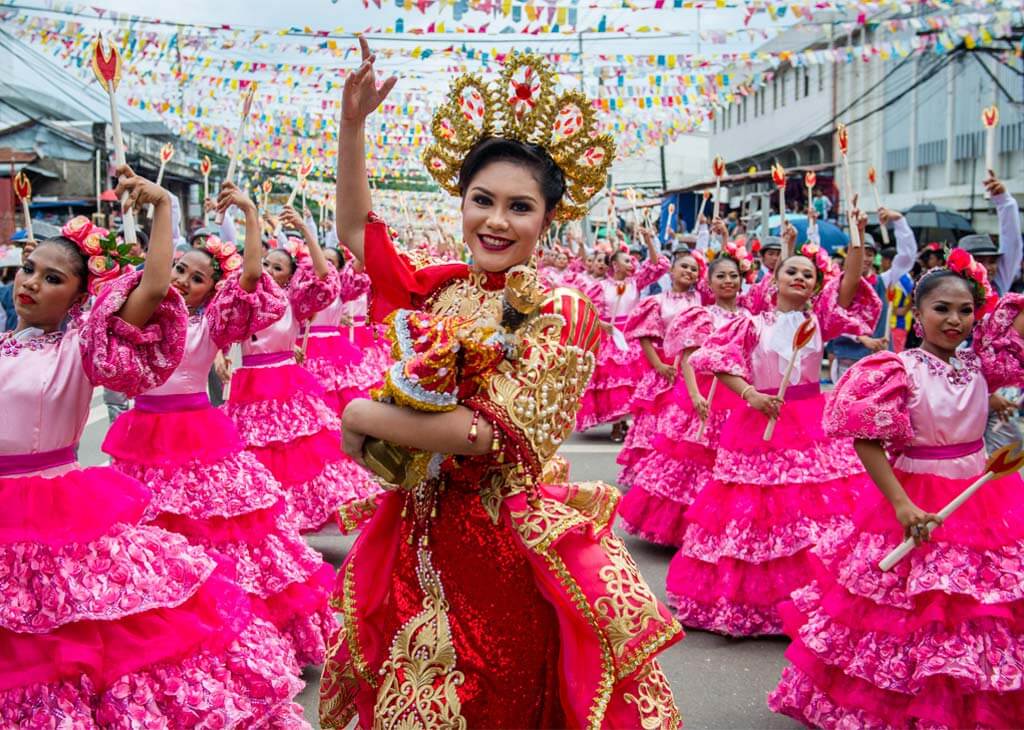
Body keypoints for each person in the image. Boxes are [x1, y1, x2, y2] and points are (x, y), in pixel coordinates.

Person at [318, 41, 681, 729]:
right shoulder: (442, 289)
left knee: (488, 703)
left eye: (519, 207)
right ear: (461, 202)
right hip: (416, 530)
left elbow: (483, 434)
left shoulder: (562, 312)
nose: (495, 221)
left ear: (548, 220)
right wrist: (353, 126)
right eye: (482, 200)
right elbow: (356, 235)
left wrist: (360, 412)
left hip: (498, 547)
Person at [0, 168, 306, 725]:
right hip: (136, 442)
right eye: (28, 270)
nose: (30, 284)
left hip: (58, 505)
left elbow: (152, 288)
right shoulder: (4, 342)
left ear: (79, 299)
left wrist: (164, 207)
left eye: (51, 278)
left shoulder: (83, 345)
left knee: (66, 641)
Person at [769, 250, 1024, 728]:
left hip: (980, 497)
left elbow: (1015, 321)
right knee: (912, 610)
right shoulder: (896, 368)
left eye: (965, 310)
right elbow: (865, 439)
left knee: (979, 610)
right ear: (917, 314)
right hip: (913, 496)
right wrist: (902, 504)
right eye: (941, 309)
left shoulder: (983, 366)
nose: (954, 320)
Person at [102, 182, 336, 669]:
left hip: (197, 440)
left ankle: (226, 635)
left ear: (213, 290)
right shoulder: (141, 317)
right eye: (180, 270)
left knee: (213, 537)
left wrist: (251, 214)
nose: (185, 280)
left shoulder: (209, 325)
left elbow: (250, 275)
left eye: (199, 277)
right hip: (141, 441)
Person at [667, 214, 880, 636]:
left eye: (809, 275)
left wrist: (857, 237)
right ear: (774, 281)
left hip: (811, 422)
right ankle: (757, 605)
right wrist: (751, 395)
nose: (800, 278)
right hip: (759, 420)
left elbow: (851, 283)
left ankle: (812, 601)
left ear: (817, 287)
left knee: (812, 514)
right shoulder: (751, 324)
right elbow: (714, 361)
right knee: (758, 515)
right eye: (792, 272)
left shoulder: (821, 320)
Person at [224, 205, 378, 533]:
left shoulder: (295, 302)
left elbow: (326, 280)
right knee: (255, 455)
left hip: (285, 384)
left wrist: (307, 235)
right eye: (266, 262)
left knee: (292, 454)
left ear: (291, 277)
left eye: (277, 267)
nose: (267, 269)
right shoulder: (249, 300)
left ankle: (294, 516)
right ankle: (266, 517)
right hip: (249, 387)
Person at [620, 236, 754, 546]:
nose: (728, 281)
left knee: (729, 463)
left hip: (738, 395)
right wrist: (694, 395)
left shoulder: (749, 318)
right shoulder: (705, 316)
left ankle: (721, 529)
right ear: (710, 282)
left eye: (733, 276)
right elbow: (689, 358)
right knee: (694, 459)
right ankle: (684, 528)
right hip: (705, 392)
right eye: (720, 276)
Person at [616, 247, 705, 504]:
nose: (688, 271)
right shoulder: (657, 301)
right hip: (664, 369)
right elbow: (644, 335)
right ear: (672, 270)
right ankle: (645, 475)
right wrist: (658, 366)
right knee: (654, 423)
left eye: (694, 269)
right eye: (684, 267)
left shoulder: (700, 299)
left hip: (692, 371)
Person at [578, 232, 668, 441]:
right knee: (617, 383)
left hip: (634, 337)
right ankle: (617, 424)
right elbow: (587, 312)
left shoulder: (635, 282)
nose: (632, 264)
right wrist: (603, 325)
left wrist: (649, 242)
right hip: (612, 337)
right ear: (615, 265)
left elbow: (659, 266)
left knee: (637, 382)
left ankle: (634, 423)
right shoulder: (599, 287)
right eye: (627, 261)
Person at [829, 207, 918, 379]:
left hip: (878, 356)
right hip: (848, 357)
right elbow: (833, 319)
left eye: (869, 254)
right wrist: (861, 338)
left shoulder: (882, 281)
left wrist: (899, 220)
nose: (865, 258)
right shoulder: (836, 285)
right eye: (861, 253)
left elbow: (906, 258)